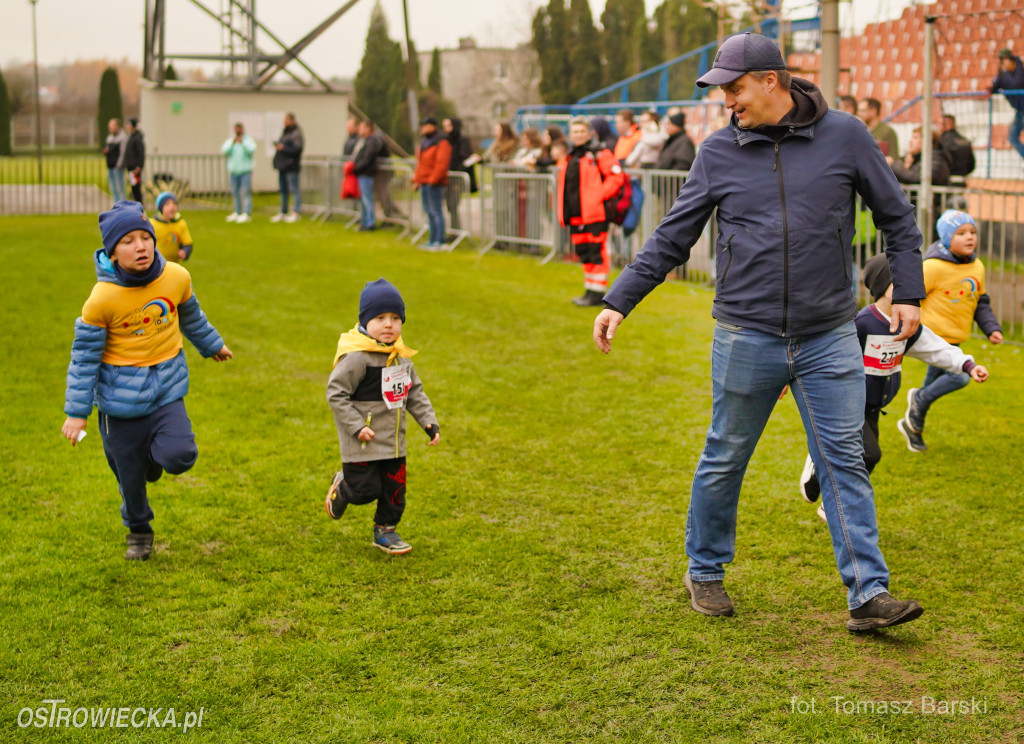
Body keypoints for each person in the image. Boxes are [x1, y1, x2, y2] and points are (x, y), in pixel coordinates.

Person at [593, 32, 927, 632]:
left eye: (735, 87)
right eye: (722, 90)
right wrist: (621, 299)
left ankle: (867, 595)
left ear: (773, 81)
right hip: (745, 335)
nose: (727, 100)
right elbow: (673, 236)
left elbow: (897, 218)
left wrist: (908, 290)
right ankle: (706, 571)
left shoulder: (847, 136)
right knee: (725, 456)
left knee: (844, 460)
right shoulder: (717, 151)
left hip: (829, 335)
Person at [61, 201, 233, 561]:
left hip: (166, 390)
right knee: (129, 477)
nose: (140, 246)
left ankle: (152, 458)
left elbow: (192, 316)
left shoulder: (176, 277)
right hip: (118, 405)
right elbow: (84, 360)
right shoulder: (101, 300)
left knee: (181, 455)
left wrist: (212, 344)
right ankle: (139, 530)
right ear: (112, 250)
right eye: (127, 241)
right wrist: (77, 413)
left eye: (145, 237)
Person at [800, 254, 989, 522]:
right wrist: (791, 377)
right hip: (848, 401)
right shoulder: (862, 322)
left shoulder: (908, 325)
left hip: (875, 405)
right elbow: (826, 351)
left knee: (869, 459)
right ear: (880, 288)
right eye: (897, 283)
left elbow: (936, 348)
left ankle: (820, 469)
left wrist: (967, 365)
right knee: (869, 453)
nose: (906, 288)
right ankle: (833, 497)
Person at [325, 278, 440, 555]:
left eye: (395, 318)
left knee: (395, 490)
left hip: (393, 443)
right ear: (365, 321)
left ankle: (385, 531)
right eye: (380, 318)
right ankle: (342, 487)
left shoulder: (400, 357)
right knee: (364, 490)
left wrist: (429, 422)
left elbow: (414, 393)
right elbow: (336, 393)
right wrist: (356, 427)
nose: (389, 324)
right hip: (363, 440)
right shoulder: (356, 358)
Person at [899, 210, 1003, 452]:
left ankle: (913, 427)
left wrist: (992, 329)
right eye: (961, 233)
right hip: (934, 340)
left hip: (954, 340)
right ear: (946, 238)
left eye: (972, 232)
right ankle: (918, 401)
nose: (969, 237)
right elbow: (910, 294)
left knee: (930, 387)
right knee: (960, 376)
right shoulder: (933, 267)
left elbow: (980, 302)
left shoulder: (977, 267)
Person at [557, 117, 627, 306]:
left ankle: (597, 293)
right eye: (575, 132)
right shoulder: (571, 155)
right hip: (576, 214)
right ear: (570, 135)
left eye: (582, 131)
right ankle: (589, 289)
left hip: (595, 213)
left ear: (589, 133)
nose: (578, 135)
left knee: (597, 252)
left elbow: (616, 176)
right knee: (585, 253)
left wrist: (599, 195)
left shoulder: (599, 153)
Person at [412, 117, 452, 250]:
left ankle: (439, 240)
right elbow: (420, 163)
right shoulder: (425, 142)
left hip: (434, 183)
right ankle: (432, 239)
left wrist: (433, 180)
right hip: (424, 182)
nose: (422, 129)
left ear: (433, 126)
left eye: (425, 126)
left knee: (436, 212)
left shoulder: (442, 141)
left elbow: (442, 164)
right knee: (428, 211)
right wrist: (417, 181)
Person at [988, 48, 1024, 167]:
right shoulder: (1004, 73)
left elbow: (1017, 83)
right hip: (1020, 110)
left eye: (1004, 60)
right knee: (1013, 137)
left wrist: (1003, 76)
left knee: (1013, 137)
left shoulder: (1018, 67)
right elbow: (995, 86)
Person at [352, 119, 387, 232]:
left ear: (368, 128)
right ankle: (365, 222)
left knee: (367, 199)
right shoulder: (365, 141)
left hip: (367, 174)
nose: (359, 130)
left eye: (362, 127)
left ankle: (370, 223)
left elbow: (367, 158)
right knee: (363, 199)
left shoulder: (373, 141)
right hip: (362, 173)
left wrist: (356, 168)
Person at [887, 126, 952, 186]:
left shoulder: (937, 160)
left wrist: (896, 166)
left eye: (915, 138)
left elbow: (915, 178)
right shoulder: (912, 158)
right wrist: (906, 165)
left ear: (926, 141)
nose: (910, 141)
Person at [271, 112, 304, 223]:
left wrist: (283, 148)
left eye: (286, 120)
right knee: (283, 190)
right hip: (283, 166)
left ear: (292, 120)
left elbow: (297, 149)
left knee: (294, 189)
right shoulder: (285, 132)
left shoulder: (296, 133)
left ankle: (296, 212)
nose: (285, 123)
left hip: (291, 166)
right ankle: (283, 211)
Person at [443, 117, 475, 231]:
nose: (446, 129)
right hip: (447, 177)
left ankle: (456, 231)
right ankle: (452, 230)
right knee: (449, 206)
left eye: (449, 126)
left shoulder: (463, 140)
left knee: (453, 205)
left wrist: (457, 174)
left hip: (458, 178)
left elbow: (465, 158)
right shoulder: (446, 140)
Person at [221, 122, 256, 223]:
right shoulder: (231, 141)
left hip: (245, 172)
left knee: (246, 192)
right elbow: (224, 151)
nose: (238, 131)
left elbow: (251, 150)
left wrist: (242, 143)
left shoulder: (248, 140)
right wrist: (233, 143)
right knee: (235, 193)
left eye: (239, 129)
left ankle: (247, 213)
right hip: (234, 172)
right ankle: (237, 212)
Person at [152, 191, 193, 262]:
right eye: (167, 204)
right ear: (160, 208)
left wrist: (185, 252)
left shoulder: (181, 223)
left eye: (174, 204)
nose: (172, 207)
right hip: (157, 264)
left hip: (174, 264)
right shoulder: (152, 224)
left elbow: (187, 243)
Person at [939, 114, 976, 179]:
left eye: (939, 124)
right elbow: (972, 165)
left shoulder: (941, 141)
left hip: (946, 181)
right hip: (962, 179)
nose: (938, 127)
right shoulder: (964, 140)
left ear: (947, 125)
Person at [102, 118, 127, 203]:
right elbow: (110, 150)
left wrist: (119, 165)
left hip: (118, 168)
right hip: (110, 166)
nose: (110, 128)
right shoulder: (109, 138)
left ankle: (123, 206)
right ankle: (116, 206)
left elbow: (123, 153)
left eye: (112, 126)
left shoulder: (123, 137)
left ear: (118, 126)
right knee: (113, 189)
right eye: (110, 127)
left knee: (120, 189)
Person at [123, 118, 146, 205]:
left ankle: (140, 206)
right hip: (131, 167)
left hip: (135, 167)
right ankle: (137, 205)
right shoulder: (131, 137)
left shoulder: (137, 138)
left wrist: (139, 166)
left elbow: (140, 153)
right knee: (133, 188)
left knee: (136, 188)